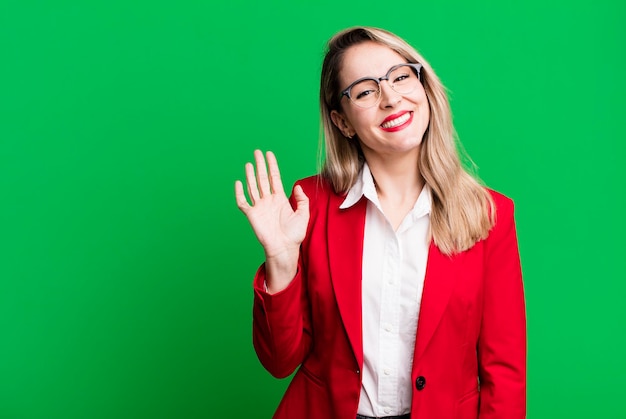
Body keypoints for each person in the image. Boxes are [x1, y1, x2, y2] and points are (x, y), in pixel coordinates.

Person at [235, 26, 526, 419]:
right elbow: (279, 362)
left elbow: (504, 373)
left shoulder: (489, 214)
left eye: (401, 76)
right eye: (366, 90)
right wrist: (281, 261)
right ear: (343, 122)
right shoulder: (310, 205)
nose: (391, 97)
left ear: (423, 87)